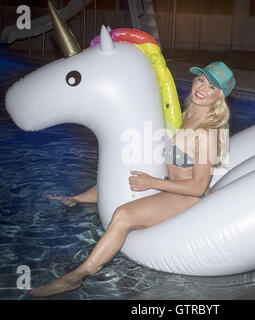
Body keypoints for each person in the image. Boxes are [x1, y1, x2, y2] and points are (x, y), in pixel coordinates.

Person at [29, 61, 236, 297]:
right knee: (116, 181)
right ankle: (76, 199)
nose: (202, 88)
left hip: (190, 198)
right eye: (201, 80)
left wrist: (153, 183)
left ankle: (80, 274)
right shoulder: (188, 114)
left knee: (123, 214)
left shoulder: (208, 132)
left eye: (211, 87)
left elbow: (199, 186)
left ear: (220, 96)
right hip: (173, 186)